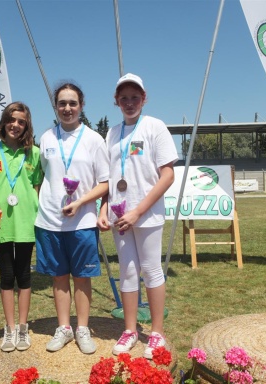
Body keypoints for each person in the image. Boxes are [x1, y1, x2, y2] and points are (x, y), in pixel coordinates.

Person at [97, 73, 178, 359]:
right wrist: (104, 208)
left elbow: (167, 175)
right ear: (116, 101)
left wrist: (138, 211)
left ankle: (156, 332)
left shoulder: (155, 127)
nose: (129, 102)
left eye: (135, 97)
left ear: (144, 99)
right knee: (128, 272)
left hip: (146, 214)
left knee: (151, 269)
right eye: (124, 98)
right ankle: (130, 330)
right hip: (120, 215)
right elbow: (109, 177)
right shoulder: (112, 132)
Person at [34, 82, 110, 354]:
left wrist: (79, 203)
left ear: (81, 106)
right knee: (58, 277)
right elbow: (41, 177)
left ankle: (82, 329)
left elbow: (105, 183)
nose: (67, 108)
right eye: (62, 103)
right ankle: (64, 328)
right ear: (55, 106)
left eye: (72, 103)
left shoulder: (93, 139)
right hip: (50, 222)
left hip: (82, 221)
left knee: (81, 278)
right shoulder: (46, 138)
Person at [0, 102, 42, 352]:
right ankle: (10, 328)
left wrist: (33, 206)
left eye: (21, 122)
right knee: (6, 276)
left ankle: (23, 328)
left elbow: (37, 185)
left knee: (24, 274)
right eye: (12, 120)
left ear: (26, 126)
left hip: (26, 221)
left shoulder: (34, 154)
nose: (16, 125)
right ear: (4, 122)